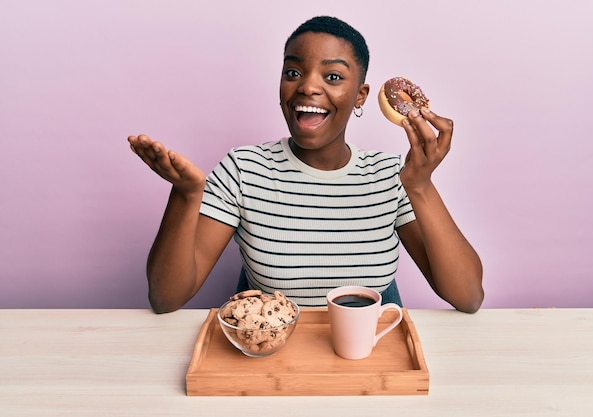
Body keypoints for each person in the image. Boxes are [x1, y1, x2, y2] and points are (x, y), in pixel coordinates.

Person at [127, 16, 484, 314]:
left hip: (369, 363)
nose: (307, 87)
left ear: (360, 95)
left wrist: (420, 186)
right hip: (272, 364)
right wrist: (186, 194)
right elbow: (165, 298)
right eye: (293, 72)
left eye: (332, 77)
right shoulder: (243, 169)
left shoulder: (391, 176)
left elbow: (467, 296)